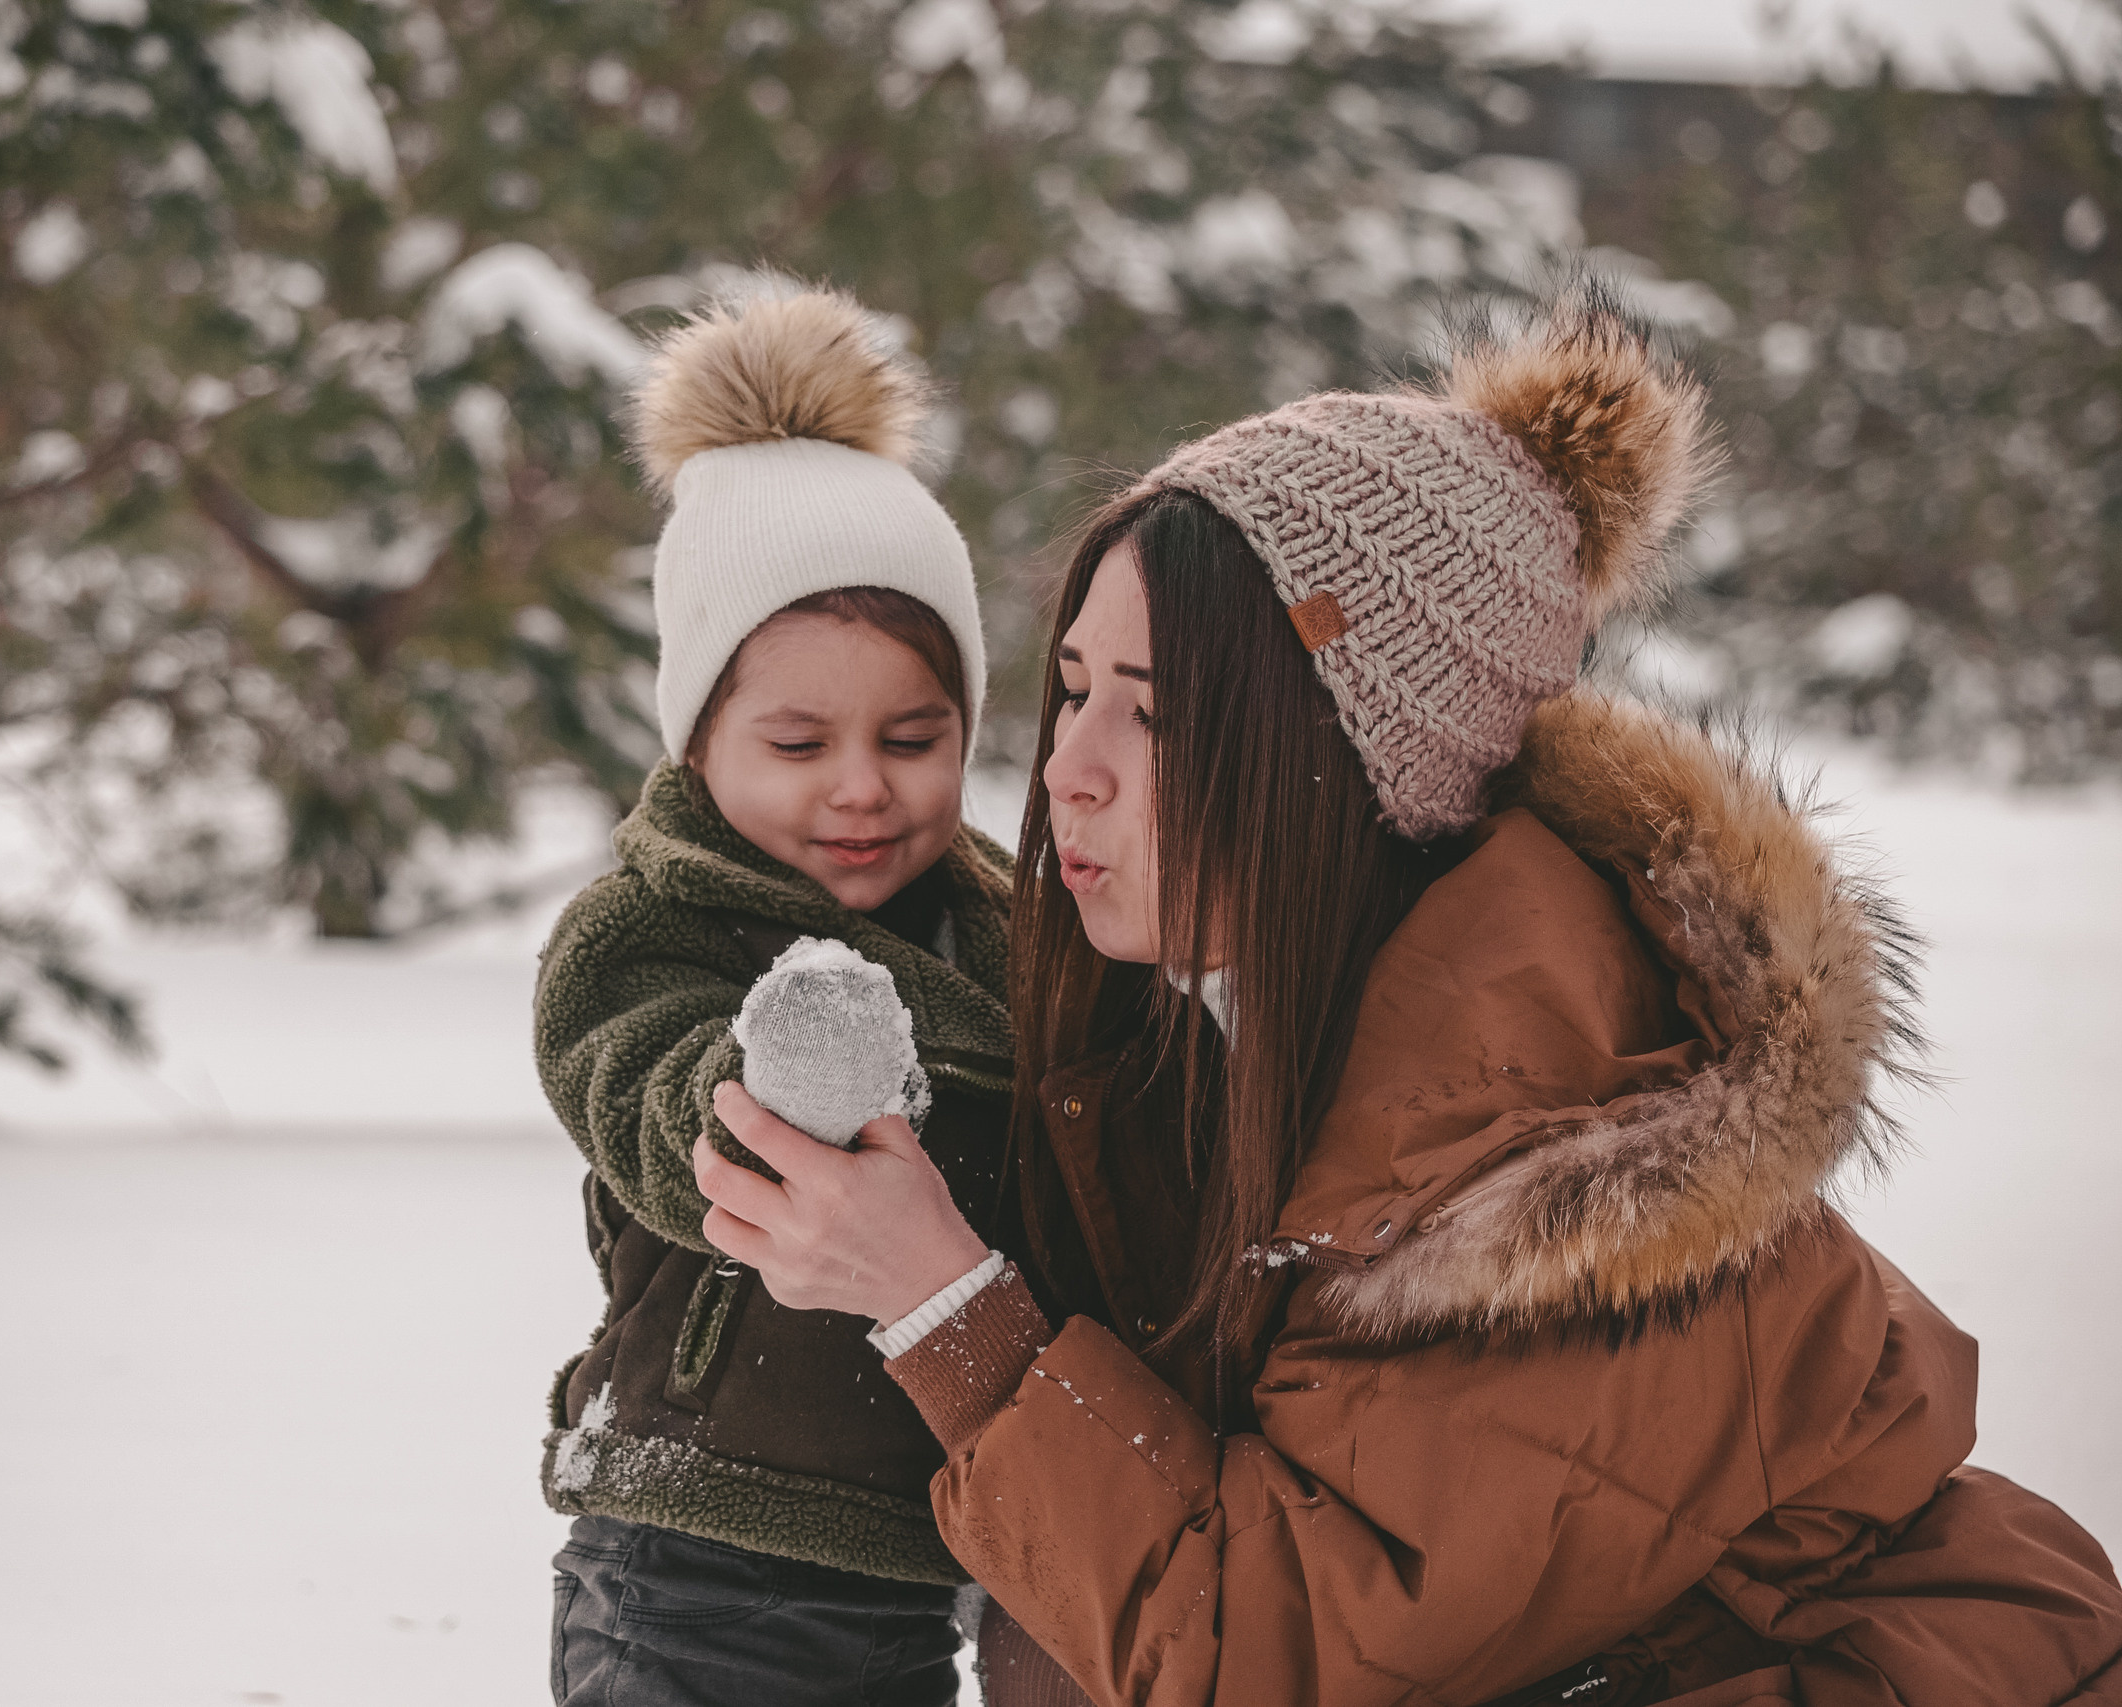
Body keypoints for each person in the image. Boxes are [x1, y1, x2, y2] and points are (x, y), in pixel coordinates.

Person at [694, 290, 2122, 1704]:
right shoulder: (1223, 1041)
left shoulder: (1561, 1154)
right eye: (1074, 690)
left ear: (1360, 774)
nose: (1072, 764)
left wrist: (940, 1299)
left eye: (1165, 712)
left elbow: (1269, 1654)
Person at [535, 283, 1018, 1707]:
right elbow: (659, 1112)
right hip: (695, 1552)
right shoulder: (648, 932)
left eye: (914, 737)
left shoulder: (1003, 935)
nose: (862, 787)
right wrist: (786, 1079)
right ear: (700, 743)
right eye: (799, 742)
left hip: (921, 1563)